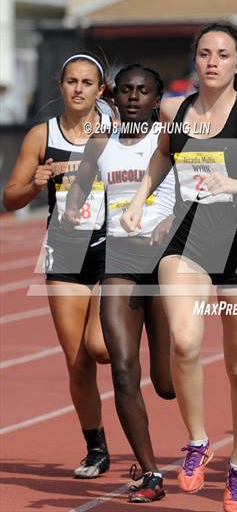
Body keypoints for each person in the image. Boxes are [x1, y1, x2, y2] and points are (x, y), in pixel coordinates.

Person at [121, 22, 237, 512]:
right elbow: (162, 158)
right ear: (195, 60)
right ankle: (198, 440)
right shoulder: (174, 109)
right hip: (189, 243)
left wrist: (235, 185)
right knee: (184, 340)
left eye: (223, 54)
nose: (213, 61)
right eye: (204, 53)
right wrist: (140, 199)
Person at [62, 64, 176, 502]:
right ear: (113, 95)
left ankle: (197, 445)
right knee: (125, 371)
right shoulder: (100, 142)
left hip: (164, 265)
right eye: (126, 90)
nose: (133, 97)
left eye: (143, 90)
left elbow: (192, 193)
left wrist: (169, 220)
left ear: (156, 96)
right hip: (119, 260)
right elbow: (78, 195)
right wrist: (74, 211)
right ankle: (150, 473)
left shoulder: (167, 139)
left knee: (165, 382)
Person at [3, 53, 112, 479]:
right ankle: (96, 447)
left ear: (100, 91)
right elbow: (9, 198)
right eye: (72, 81)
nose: (79, 88)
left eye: (88, 82)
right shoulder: (40, 136)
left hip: (110, 250)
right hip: (64, 254)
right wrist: (34, 183)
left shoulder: (116, 135)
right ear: (61, 86)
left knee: (102, 347)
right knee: (78, 361)